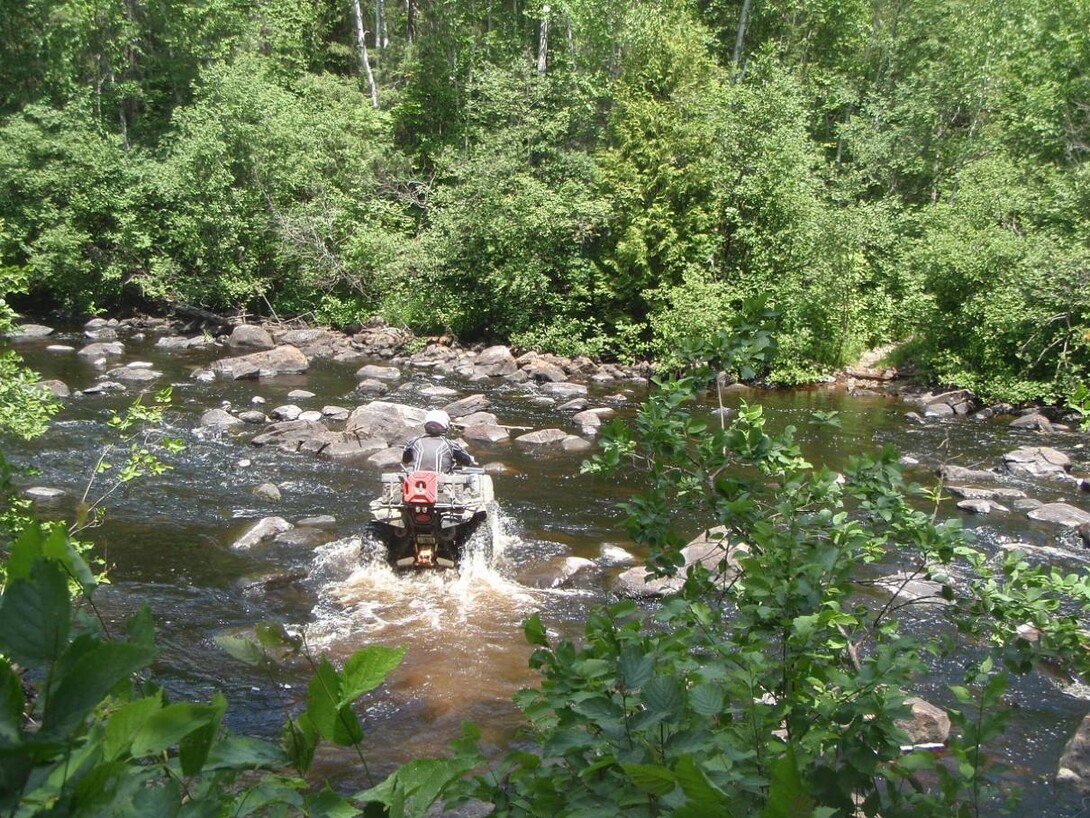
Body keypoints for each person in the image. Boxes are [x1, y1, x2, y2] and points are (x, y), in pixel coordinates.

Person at [402, 409, 477, 473]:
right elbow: (467, 461)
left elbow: (405, 460)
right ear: (445, 428)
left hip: (417, 481)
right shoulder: (451, 445)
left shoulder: (413, 442)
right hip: (441, 483)